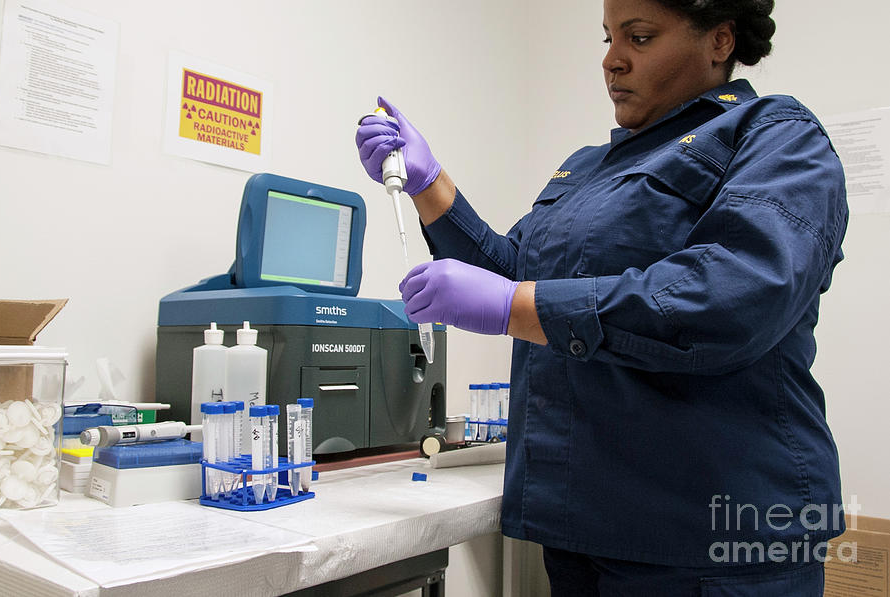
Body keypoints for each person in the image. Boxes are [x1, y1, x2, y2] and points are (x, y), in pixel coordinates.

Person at [356, 0, 848, 594]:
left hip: (713, 540)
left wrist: (514, 307)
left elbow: (734, 296)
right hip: (586, 527)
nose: (612, 61)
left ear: (720, 42)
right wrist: (430, 185)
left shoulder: (776, 137)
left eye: (639, 38)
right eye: (608, 37)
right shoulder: (589, 169)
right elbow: (515, 278)